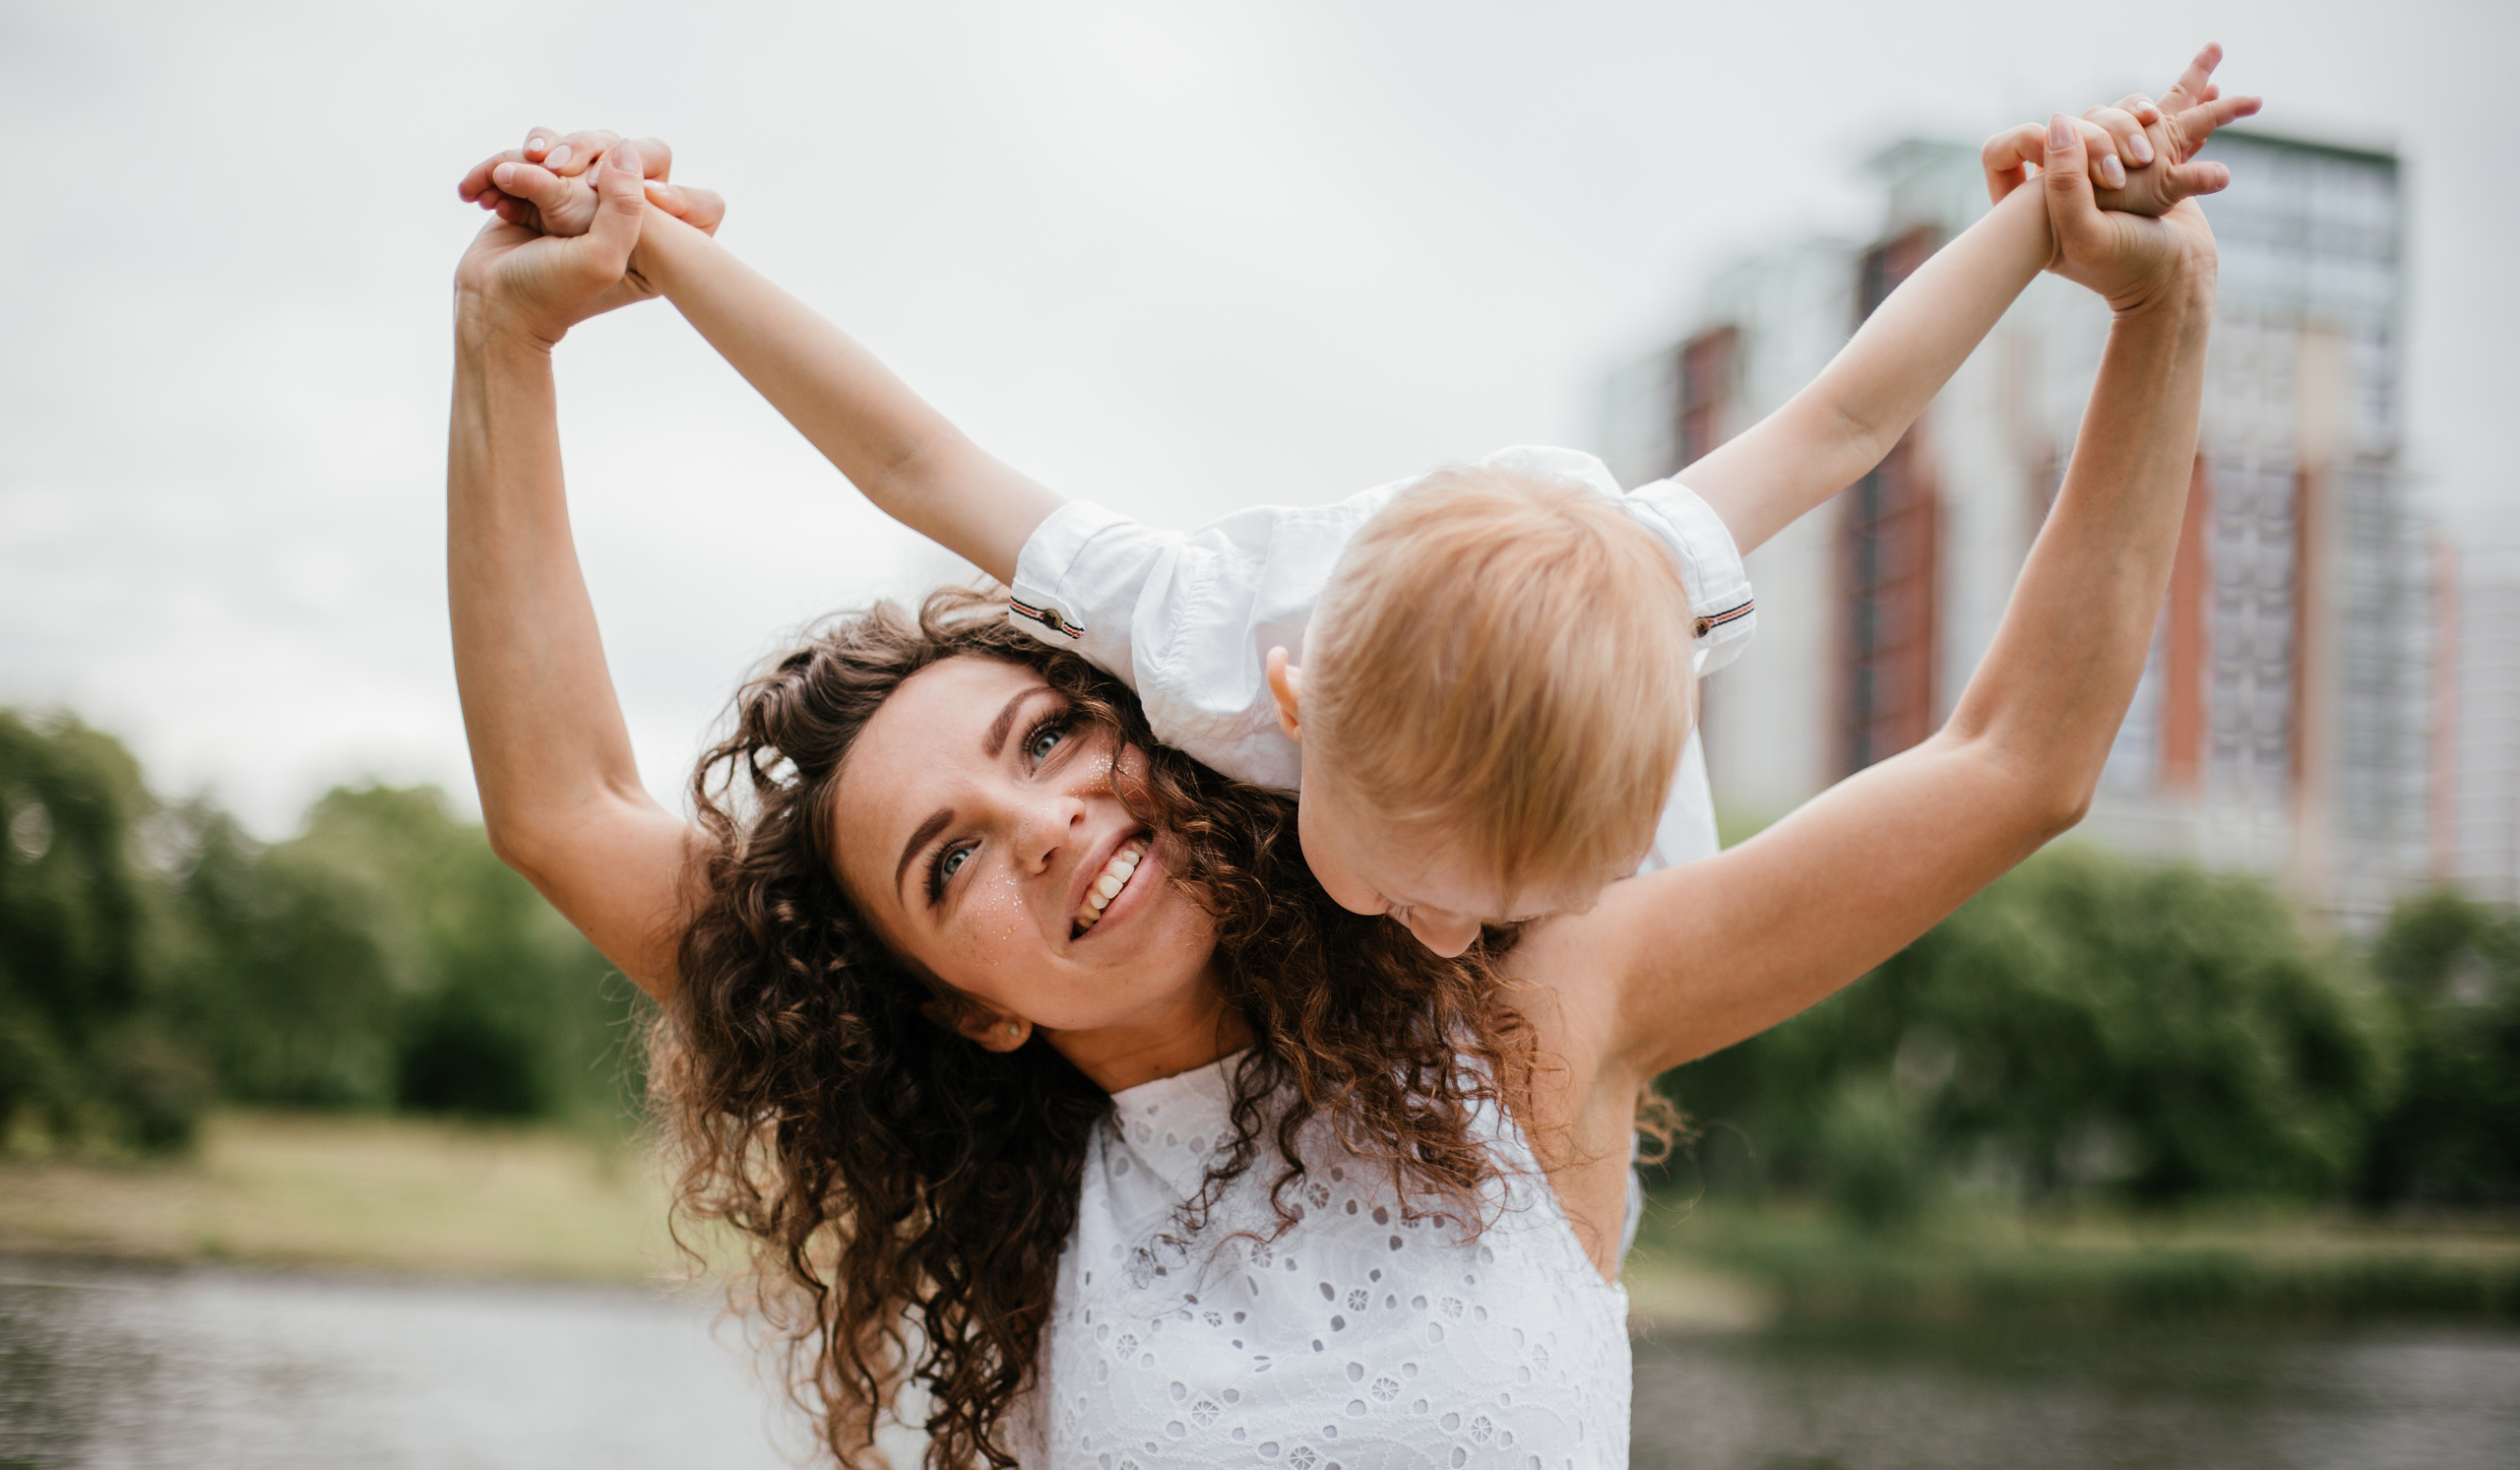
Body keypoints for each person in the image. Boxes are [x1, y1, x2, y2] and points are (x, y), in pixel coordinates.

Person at [447, 53, 2231, 1470]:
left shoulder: (1533, 1017)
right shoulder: (1046, 1196)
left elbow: (2013, 763)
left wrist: (2160, 314)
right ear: (957, 1008)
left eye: (1050, 740)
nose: (1052, 822)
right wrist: (505, 342)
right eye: (949, 865)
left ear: (1169, 727)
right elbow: (564, 805)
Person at [460, 59, 2253, 958]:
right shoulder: (1193, 633)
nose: (1450, 941)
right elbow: (921, 462)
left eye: (1497, 911)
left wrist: (2066, 223)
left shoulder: (1618, 596)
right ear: (1293, 705)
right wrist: (667, 262)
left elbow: (1852, 414)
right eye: (1420, 887)